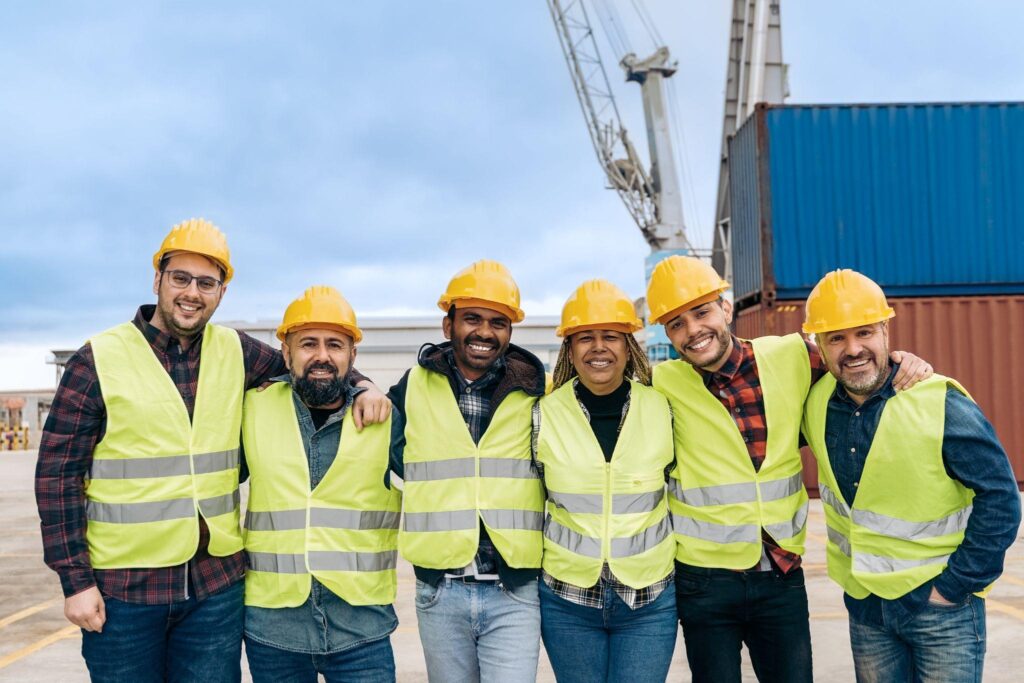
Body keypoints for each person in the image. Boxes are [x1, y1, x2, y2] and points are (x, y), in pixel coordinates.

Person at [34, 219, 389, 682]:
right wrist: (75, 581)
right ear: (157, 279)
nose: (192, 293)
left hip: (214, 592)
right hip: (125, 591)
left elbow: (313, 365)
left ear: (221, 292)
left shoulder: (236, 351)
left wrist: (364, 386)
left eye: (207, 283)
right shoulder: (97, 359)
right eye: (180, 278)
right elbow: (56, 476)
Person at [645, 255, 932, 683]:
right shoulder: (660, 383)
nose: (692, 331)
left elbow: (855, 367)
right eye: (676, 324)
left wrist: (902, 362)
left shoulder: (792, 355)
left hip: (780, 574)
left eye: (701, 312)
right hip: (704, 583)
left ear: (726, 309)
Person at [800, 269, 1021, 683]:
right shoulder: (814, 404)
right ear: (819, 346)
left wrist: (954, 587)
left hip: (940, 607)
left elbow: (1000, 497)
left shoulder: (939, 401)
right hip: (866, 608)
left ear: (886, 331)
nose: (853, 349)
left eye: (864, 332)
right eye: (836, 338)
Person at [388, 259, 546, 683]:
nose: (484, 332)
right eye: (471, 318)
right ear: (448, 325)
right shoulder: (411, 387)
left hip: (513, 590)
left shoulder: (535, 393)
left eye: (498, 322)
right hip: (441, 589)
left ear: (510, 332)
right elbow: (388, 450)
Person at [241, 286, 402, 683]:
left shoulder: (387, 418)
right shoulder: (251, 409)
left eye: (335, 345)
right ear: (285, 353)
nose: (322, 356)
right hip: (274, 631)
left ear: (353, 356)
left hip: (361, 629)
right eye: (308, 343)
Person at [533, 279, 677, 683]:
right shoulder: (544, 414)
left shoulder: (662, 408)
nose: (598, 347)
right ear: (570, 349)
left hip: (648, 600)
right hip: (568, 601)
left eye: (610, 336)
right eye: (585, 338)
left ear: (628, 345)